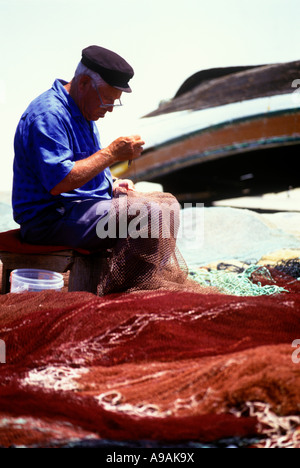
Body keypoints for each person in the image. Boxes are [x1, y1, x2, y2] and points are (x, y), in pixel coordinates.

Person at [12, 45, 187, 294]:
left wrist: (112, 183)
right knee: (146, 213)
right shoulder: (48, 114)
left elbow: (86, 167)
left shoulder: (84, 111)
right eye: (107, 99)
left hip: (79, 210)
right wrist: (112, 153)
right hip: (50, 219)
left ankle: (148, 284)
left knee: (168, 206)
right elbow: (59, 182)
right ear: (84, 83)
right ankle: (127, 295)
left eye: (116, 102)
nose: (111, 108)